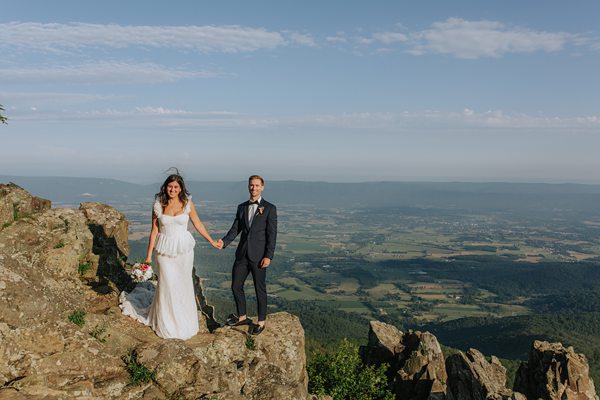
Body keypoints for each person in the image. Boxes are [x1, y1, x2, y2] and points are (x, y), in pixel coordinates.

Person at [120, 171, 219, 339]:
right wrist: (148, 257)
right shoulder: (158, 204)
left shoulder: (187, 203)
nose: (172, 189)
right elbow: (154, 231)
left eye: (176, 187)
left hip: (184, 250)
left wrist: (211, 240)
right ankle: (167, 322)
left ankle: (183, 321)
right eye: (170, 186)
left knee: (182, 284)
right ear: (165, 187)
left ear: (181, 189)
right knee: (167, 285)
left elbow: (198, 224)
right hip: (164, 250)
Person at [217, 175, 277, 335]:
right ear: (248, 187)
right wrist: (223, 242)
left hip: (259, 257)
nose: (254, 188)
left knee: (259, 289)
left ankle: (261, 322)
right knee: (236, 286)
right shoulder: (241, 207)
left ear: (262, 187)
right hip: (242, 255)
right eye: (251, 185)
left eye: (257, 185)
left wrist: (268, 256)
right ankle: (242, 317)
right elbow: (235, 229)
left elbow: (272, 235)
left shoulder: (270, 208)